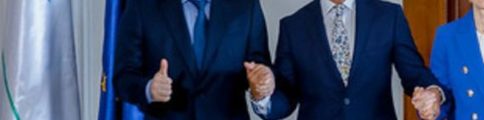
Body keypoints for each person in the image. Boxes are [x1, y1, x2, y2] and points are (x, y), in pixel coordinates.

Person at [248, 0, 445, 119]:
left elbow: (414, 73)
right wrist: (262, 94)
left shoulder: (388, 16)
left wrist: (432, 93)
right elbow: (285, 98)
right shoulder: (293, 26)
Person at [113, 0, 271, 119]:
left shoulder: (245, 5)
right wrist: (149, 89)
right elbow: (123, 77)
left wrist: (261, 84)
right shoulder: (142, 5)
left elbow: (258, 67)